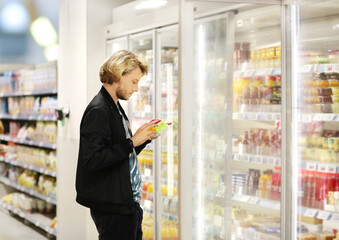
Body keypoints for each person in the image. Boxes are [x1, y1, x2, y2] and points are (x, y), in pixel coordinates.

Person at [75, 50, 159, 240]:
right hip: (114, 208)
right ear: (118, 74)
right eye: (134, 81)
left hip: (126, 204)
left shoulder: (114, 106)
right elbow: (93, 160)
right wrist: (132, 141)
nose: (136, 88)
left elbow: (120, 154)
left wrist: (143, 138)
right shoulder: (99, 110)